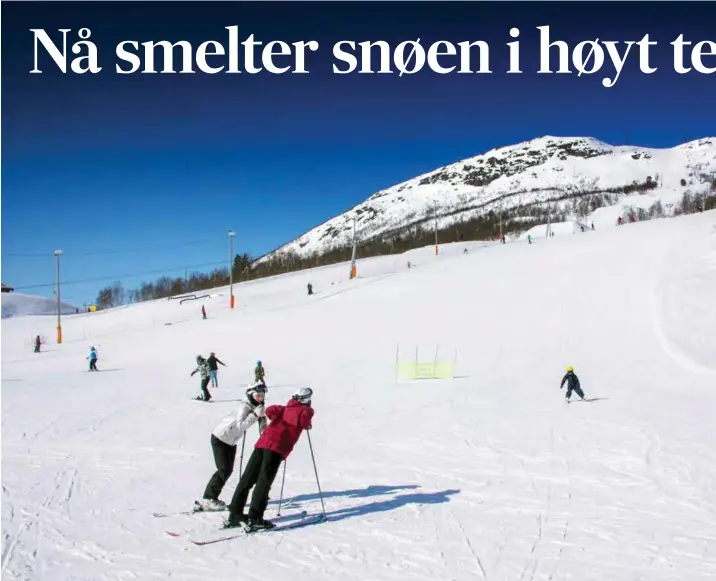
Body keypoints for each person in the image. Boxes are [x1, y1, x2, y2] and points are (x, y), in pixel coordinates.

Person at [224, 387, 315, 531]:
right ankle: (255, 519)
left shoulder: (285, 408)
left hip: (262, 443)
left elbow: (270, 410)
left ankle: (235, 514)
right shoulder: (306, 410)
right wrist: (307, 415)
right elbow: (304, 423)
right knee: (264, 481)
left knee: (247, 478)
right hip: (277, 447)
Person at [194, 382, 268, 512]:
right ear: (251, 394)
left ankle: (211, 497)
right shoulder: (244, 406)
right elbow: (240, 425)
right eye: (258, 395)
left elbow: (262, 425)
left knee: (227, 470)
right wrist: (255, 415)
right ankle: (208, 498)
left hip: (230, 440)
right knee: (224, 470)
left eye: (262, 395)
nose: (261, 398)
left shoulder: (256, 406)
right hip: (221, 438)